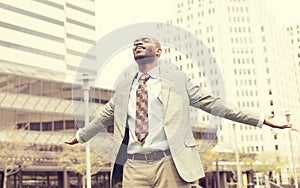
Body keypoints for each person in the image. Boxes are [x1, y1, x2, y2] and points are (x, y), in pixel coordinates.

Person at [65, 36, 291, 188]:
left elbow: (214, 104)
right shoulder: (125, 86)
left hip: (170, 164)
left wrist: (261, 119)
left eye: (144, 42)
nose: (138, 44)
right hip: (133, 166)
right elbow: (105, 115)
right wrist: (81, 136)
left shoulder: (178, 80)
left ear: (159, 51)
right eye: (135, 44)